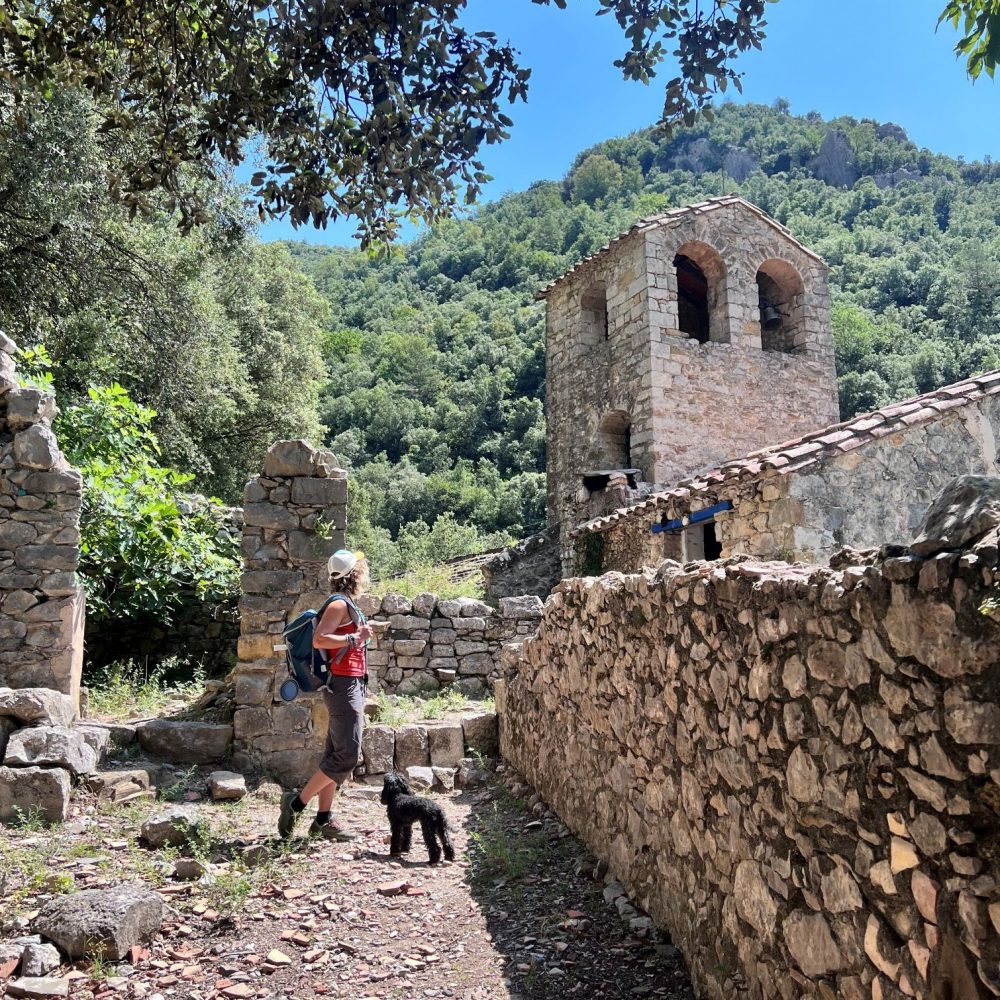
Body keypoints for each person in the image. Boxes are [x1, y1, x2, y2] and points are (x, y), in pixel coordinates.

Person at [278, 549, 374, 841]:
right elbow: (320, 637)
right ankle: (296, 803)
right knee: (347, 755)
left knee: (333, 754)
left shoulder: (347, 605)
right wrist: (353, 637)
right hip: (343, 686)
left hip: (349, 683)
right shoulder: (338, 605)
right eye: (361, 567)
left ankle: (323, 820)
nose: (365, 570)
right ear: (354, 574)